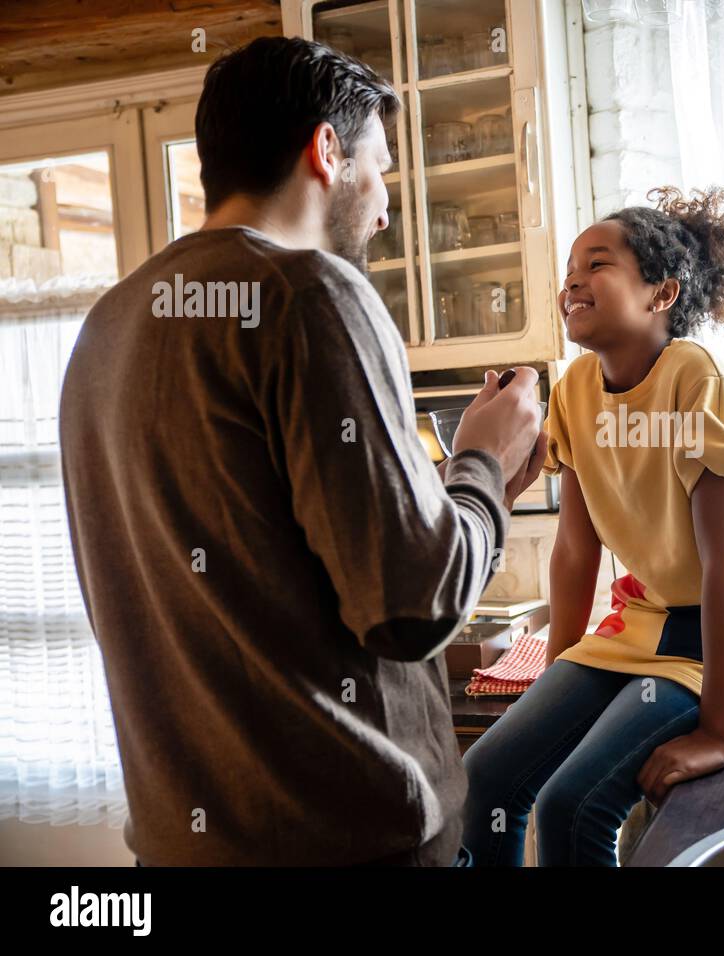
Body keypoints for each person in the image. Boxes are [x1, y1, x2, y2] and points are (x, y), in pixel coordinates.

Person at [58, 36, 544, 866]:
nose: (386, 207)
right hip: (347, 844)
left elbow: (276, 546)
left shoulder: (108, 327)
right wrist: (484, 466)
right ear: (326, 150)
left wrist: (440, 489)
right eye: (379, 169)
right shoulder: (309, 293)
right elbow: (411, 605)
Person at [461, 186, 724, 866]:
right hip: (649, 623)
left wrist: (716, 733)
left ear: (661, 295)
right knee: (487, 778)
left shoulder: (698, 384)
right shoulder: (572, 390)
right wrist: (560, 668)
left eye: (598, 264)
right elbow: (575, 549)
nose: (573, 280)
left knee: (574, 804)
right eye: (569, 270)